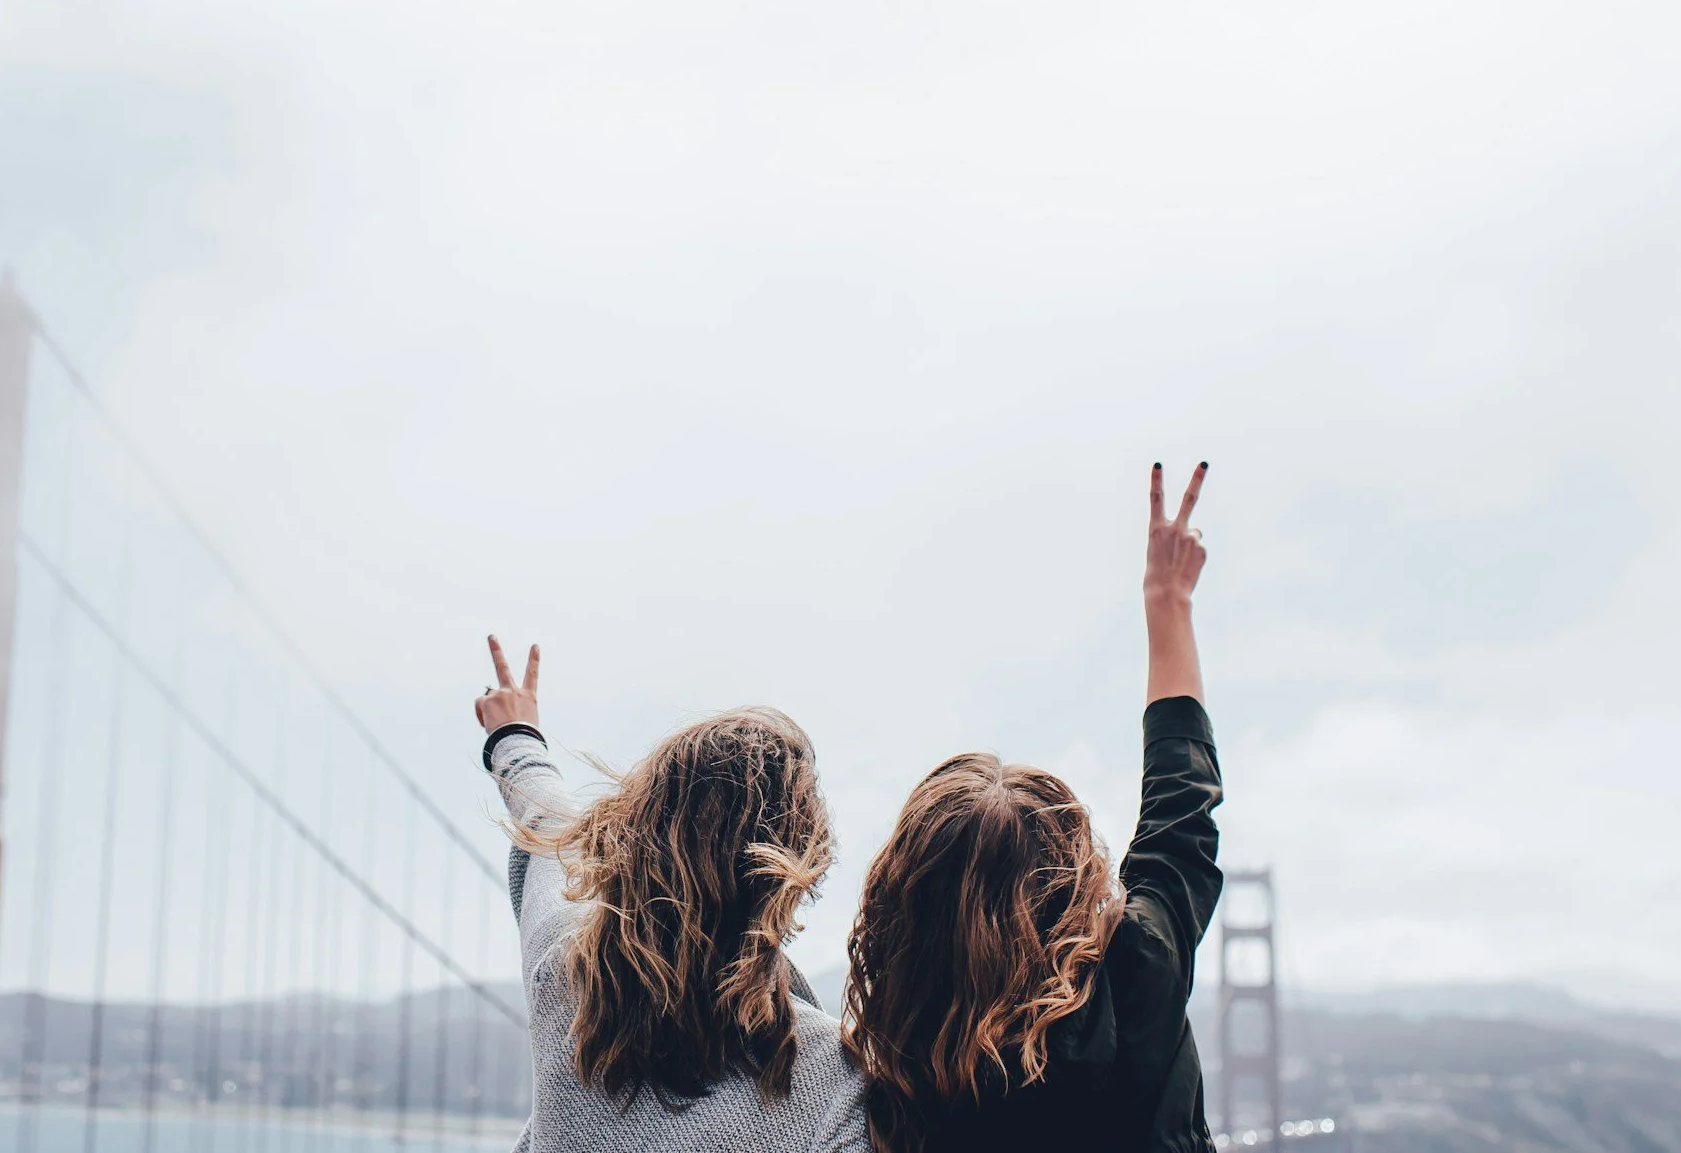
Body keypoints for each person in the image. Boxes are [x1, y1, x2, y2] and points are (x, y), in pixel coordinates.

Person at [842, 461, 1224, 1153]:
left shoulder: (896, 1064)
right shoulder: (1138, 971)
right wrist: (1168, 600)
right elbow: (1181, 816)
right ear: (1072, 876)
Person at [473, 636, 869, 1152]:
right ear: (798, 870)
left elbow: (546, 817)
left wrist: (514, 734)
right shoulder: (839, 1082)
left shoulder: (563, 971)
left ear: (633, 830)